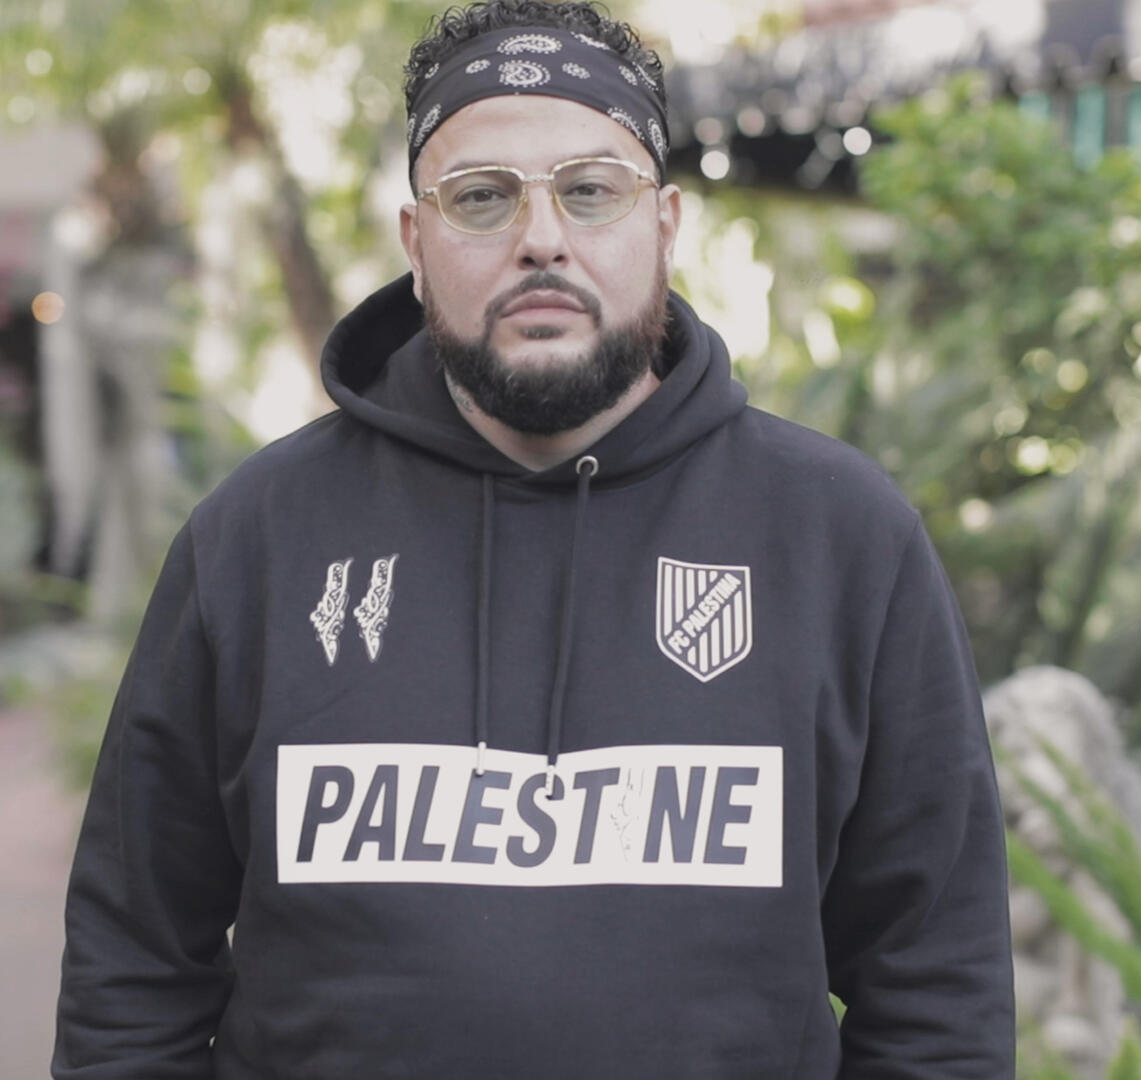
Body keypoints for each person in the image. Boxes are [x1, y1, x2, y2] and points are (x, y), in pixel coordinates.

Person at [52, 2, 1014, 1077]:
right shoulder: (258, 541)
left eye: (592, 190)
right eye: (481, 199)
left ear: (665, 226)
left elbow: (937, 989)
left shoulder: (841, 540)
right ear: (417, 246)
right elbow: (130, 967)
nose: (541, 238)